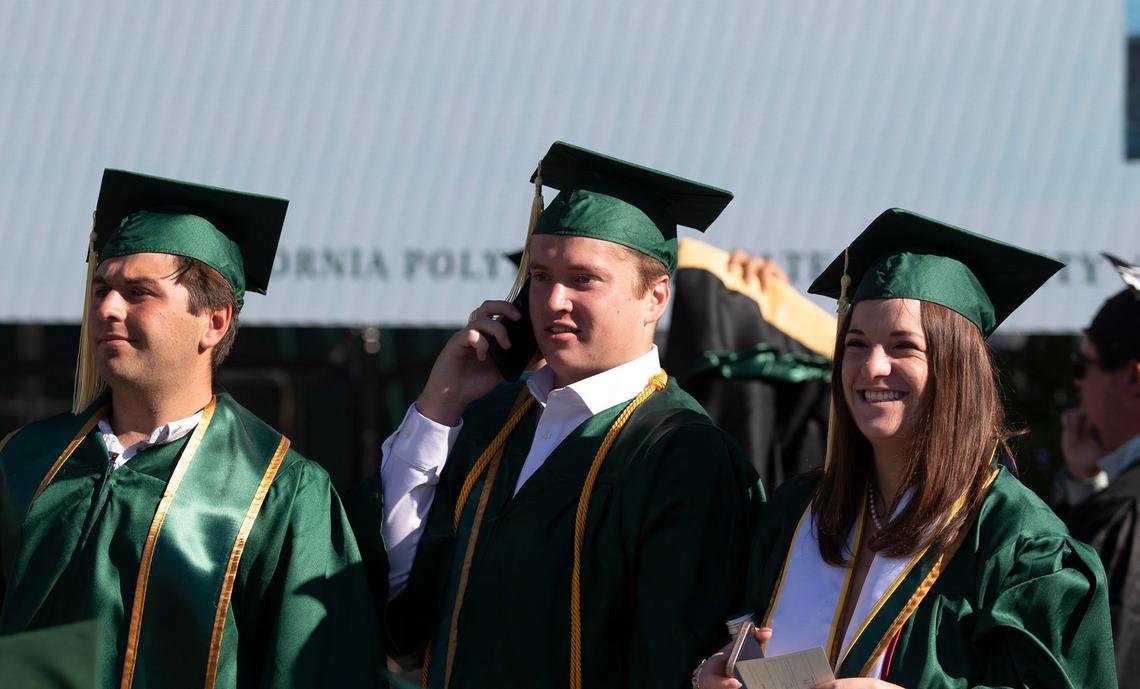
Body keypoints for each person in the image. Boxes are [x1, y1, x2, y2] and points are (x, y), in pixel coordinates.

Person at [378, 142, 762, 689]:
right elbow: (404, 606)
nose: (553, 300)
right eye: (539, 276)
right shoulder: (493, 425)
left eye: (583, 279)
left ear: (655, 298)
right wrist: (439, 407)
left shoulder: (683, 454)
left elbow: (676, 662)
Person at [695, 208, 1117, 688]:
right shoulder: (794, 513)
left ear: (954, 368)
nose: (872, 367)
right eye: (856, 344)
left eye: (902, 346)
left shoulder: (1021, 548)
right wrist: (712, 676)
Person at [0, 170, 384, 688]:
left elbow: (315, 672)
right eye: (101, 289)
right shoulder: (25, 463)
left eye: (138, 293)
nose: (107, 309)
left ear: (215, 321)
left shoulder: (282, 494)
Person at [1051, 254, 1140, 683]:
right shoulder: (1119, 498)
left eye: (1080, 365)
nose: (1076, 383)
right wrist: (1087, 485)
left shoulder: (1129, 513)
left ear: (1133, 378)